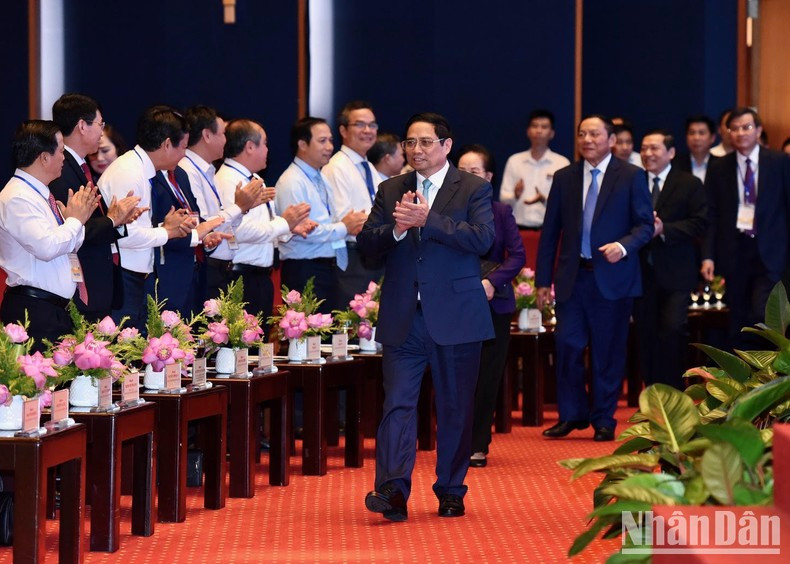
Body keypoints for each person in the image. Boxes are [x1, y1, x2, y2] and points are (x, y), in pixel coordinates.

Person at [359, 112, 495, 521]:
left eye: (426, 142)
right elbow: (367, 246)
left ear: (446, 146)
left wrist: (428, 222)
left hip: (456, 316)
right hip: (405, 317)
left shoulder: (472, 188)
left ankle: (451, 489)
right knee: (397, 405)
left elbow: (484, 240)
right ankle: (392, 490)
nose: (416, 150)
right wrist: (397, 231)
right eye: (410, 143)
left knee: (454, 407)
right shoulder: (390, 189)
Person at [536, 114, 653, 442]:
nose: (587, 139)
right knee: (567, 345)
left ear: (611, 140)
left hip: (613, 279)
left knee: (607, 351)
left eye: (595, 134)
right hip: (574, 278)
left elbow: (645, 224)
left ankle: (604, 418)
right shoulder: (565, 178)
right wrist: (544, 281)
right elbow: (550, 234)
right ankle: (572, 415)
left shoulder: (631, 176)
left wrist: (622, 246)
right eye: (582, 134)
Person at [0, 120, 99, 349]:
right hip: (33, 310)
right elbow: (47, 248)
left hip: (53, 309)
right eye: (62, 151)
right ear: (44, 157)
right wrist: (74, 220)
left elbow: (69, 245)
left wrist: (76, 220)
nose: (64, 157)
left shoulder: (41, 195)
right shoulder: (18, 197)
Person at [457, 145, 525, 468]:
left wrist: (491, 281)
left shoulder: (501, 212)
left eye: (474, 172)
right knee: (456, 374)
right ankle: (455, 439)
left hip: (492, 302)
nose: (466, 178)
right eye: (461, 171)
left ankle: (478, 443)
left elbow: (518, 256)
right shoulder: (446, 211)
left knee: (487, 375)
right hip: (454, 303)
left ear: (488, 177)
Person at [98, 106, 196, 330]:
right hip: (122, 276)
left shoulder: (142, 169)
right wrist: (167, 231)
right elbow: (124, 235)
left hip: (136, 274)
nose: (184, 155)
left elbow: (135, 228)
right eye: (183, 147)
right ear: (167, 144)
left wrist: (165, 227)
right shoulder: (129, 172)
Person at [702, 107, 790, 349]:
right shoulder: (719, 166)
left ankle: (769, 378)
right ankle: (743, 383)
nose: (740, 133)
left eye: (746, 127)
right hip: (735, 251)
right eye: (735, 128)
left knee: (763, 315)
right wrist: (708, 256)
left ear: (759, 131)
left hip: (772, 251)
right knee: (738, 318)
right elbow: (712, 214)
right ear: (728, 133)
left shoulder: (779, 162)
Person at [49, 94, 143, 322]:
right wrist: (111, 220)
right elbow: (74, 227)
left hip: (99, 286)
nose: (102, 131)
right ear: (82, 125)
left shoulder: (79, 167)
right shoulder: (61, 170)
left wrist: (118, 221)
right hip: (82, 285)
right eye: (100, 124)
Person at [215, 118, 314, 324]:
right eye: (265, 143)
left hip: (258, 277)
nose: (268, 149)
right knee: (243, 351)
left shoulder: (254, 179)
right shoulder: (228, 180)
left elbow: (262, 223)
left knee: (258, 350)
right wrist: (284, 223)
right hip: (241, 278)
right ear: (250, 147)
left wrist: (290, 228)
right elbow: (237, 231)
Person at [635, 130, 707, 390]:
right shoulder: (633, 181)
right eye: (644, 148)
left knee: (672, 329)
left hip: (676, 272)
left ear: (671, 152)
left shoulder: (688, 183)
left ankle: (674, 389)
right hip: (640, 272)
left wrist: (664, 229)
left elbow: (699, 223)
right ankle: (652, 391)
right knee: (646, 333)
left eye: (654, 148)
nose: (648, 154)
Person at [275, 117, 367, 313]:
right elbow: (306, 231)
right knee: (308, 336)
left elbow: (327, 220)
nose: (329, 147)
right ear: (302, 143)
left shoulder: (321, 177)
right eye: (322, 141)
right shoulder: (292, 181)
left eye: (331, 140)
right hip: (304, 269)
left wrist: (346, 224)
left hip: (326, 267)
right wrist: (344, 227)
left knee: (325, 338)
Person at [179, 105, 265, 300]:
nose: (227, 141)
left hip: (219, 268)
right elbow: (203, 225)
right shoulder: (187, 171)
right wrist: (239, 207)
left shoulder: (207, 170)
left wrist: (242, 209)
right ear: (207, 135)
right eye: (224, 133)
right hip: (206, 267)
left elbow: (220, 225)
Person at [323, 101, 386, 311]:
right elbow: (349, 221)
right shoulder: (336, 167)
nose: (368, 131)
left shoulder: (368, 166)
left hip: (373, 255)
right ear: (343, 130)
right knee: (353, 327)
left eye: (372, 125)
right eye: (360, 125)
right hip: (352, 258)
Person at [499, 109, 570, 229]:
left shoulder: (562, 163)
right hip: (518, 228)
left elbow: (567, 202)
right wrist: (515, 195)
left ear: (552, 133)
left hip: (550, 229)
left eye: (544, 127)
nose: (539, 130)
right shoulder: (515, 161)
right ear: (528, 131)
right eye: (535, 126)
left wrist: (544, 199)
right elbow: (502, 199)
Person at [673, 115, 720, 183]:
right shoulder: (676, 164)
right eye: (692, 133)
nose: (696, 138)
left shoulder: (721, 165)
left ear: (712, 138)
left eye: (701, 133)